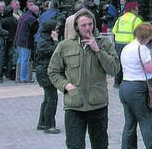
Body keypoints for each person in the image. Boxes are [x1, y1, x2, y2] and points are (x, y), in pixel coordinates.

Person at [48, 9, 120, 149]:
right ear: (76, 27)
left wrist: (97, 49)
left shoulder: (104, 42)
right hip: (74, 105)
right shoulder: (65, 46)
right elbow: (53, 71)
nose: (88, 28)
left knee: (100, 145)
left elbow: (114, 69)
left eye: (90, 24)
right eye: (83, 25)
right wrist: (65, 85)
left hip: (98, 104)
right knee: (74, 145)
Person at [119, 23, 152, 149]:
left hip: (125, 86)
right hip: (138, 87)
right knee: (146, 120)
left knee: (129, 124)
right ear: (146, 37)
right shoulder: (142, 49)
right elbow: (149, 69)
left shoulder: (126, 47)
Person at [35, 19, 61, 134]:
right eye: (56, 29)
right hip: (45, 73)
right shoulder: (43, 42)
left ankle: (42, 123)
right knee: (52, 99)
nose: (58, 31)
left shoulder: (45, 39)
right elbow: (57, 52)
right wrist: (56, 40)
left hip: (45, 72)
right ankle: (49, 125)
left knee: (47, 98)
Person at [112, 2, 143, 88]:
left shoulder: (119, 19)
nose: (138, 11)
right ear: (132, 10)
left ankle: (117, 83)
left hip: (118, 44)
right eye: (137, 9)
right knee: (130, 63)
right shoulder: (136, 20)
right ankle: (128, 82)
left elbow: (114, 32)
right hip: (130, 44)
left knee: (119, 63)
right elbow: (141, 34)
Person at [14, 3, 39, 83]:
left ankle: (18, 77)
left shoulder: (23, 15)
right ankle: (24, 78)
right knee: (25, 60)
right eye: (38, 11)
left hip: (18, 40)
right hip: (26, 41)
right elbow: (34, 30)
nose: (38, 13)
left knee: (20, 59)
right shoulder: (32, 19)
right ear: (35, 11)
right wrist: (38, 22)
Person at [0, 5, 18, 81]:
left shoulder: (3, 21)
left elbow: (0, 30)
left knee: (2, 57)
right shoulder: (15, 20)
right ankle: (9, 73)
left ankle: (1, 73)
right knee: (11, 58)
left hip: (5, 40)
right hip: (13, 40)